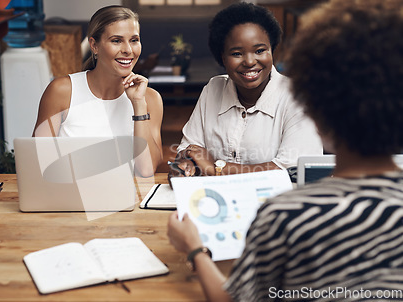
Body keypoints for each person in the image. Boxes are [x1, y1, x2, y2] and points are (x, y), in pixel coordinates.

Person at [167, 0, 403, 300]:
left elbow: (233, 298)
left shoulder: (285, 215)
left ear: (316, 115)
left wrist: (195, 249)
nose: (250, 61)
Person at [170, 2, 322, 178]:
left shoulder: (299, 96)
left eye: (260, 50)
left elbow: (294, 172)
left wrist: (217, 169)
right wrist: (183, 166)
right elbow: (188, 149)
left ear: (272, 50)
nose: (250, 61)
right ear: (223, 58)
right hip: (215, 201)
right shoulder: (213, 89)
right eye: (236, 53)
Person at [32, 5, 163, 177]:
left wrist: (139, 106)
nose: (128, 50)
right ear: (94, 45)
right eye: (116, 40)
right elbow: (36, 162)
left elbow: (146, 170)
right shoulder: (62, 92)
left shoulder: (149, 98)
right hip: (71, 199)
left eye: (134, 40)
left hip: (127, 200)